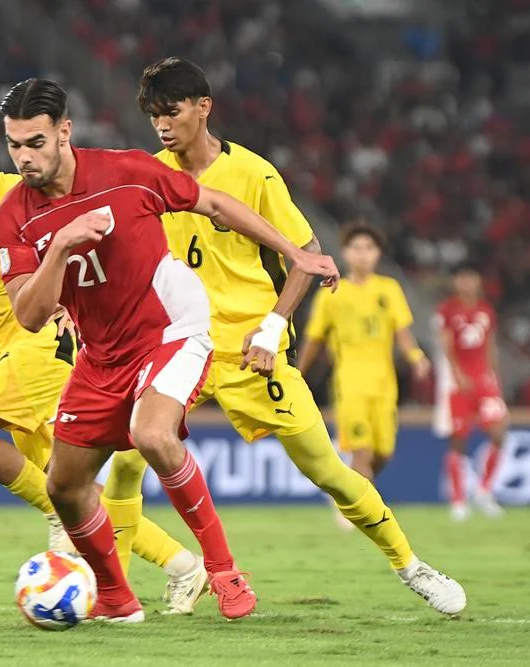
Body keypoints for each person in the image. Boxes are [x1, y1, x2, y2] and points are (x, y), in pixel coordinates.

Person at [114, 57, 465, 616]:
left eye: (171, 111)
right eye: (153, 115)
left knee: (327, 471)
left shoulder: (254, 175)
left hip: (251, 349)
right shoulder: (149, 174)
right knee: (128, 457)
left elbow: (306, 255)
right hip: (180, 345)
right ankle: (117, 592)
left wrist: (273, 326)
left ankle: (411, 565)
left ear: (203, 108)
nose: (161, 124)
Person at [0, 77, 340, 623]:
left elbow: (215, 203)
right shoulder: (13, 215)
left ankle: (224, 570)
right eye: (14, 145)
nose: (24, 158)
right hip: (101, 355)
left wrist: (294, 253)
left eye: (35, 142)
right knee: (63, 486)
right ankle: (116, 598)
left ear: (64, 132)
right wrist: (59, 248)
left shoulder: (127, 171)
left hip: (172, 329)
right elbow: (30, 315)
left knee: (152, 434)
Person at [0, 98, 206, 612]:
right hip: (2, 355)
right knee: (71, 489)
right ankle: (183, 565)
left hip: (45, 342)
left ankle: (58, 517)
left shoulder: (15, 194)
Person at [298, 224, 431, 483]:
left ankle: (347, 490)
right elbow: (314, 339)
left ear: (378, 254)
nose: (362, 254)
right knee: (363, 452)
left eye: (369, 248)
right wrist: (298, 373)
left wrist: (416, 357)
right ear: (345, 253)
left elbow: (402, 332)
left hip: (384, 385)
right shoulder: (332, 293)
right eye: (356, 248)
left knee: (383, 454)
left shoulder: (389, 289)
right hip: (350, 383)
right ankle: (359, 504)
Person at [433, 263, 507, 521]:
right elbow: (445, 345)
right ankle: (458, 500)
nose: (467, 283)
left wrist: (495, 378)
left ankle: (484, 491)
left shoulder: (486, 310)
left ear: (478, 281)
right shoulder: (447, 310)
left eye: (471, 277)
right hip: (458, 384)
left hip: (484, 380)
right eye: (462, 278)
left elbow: (490, 346)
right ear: (455, 282)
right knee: (458, 439)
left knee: (498, 433)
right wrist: (456, 374)